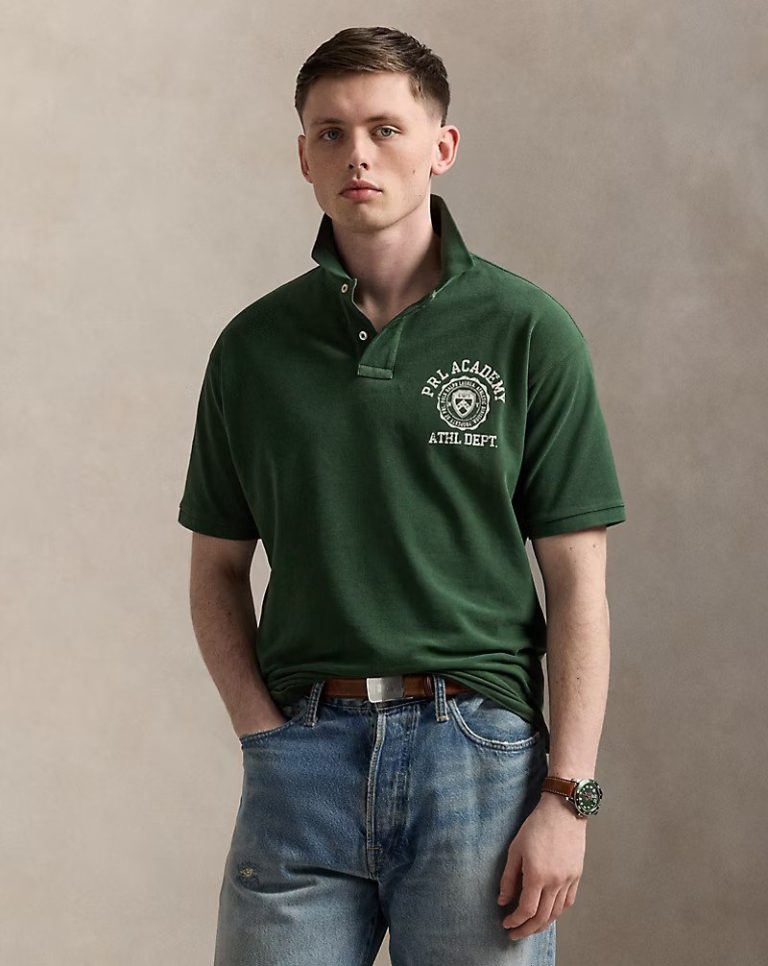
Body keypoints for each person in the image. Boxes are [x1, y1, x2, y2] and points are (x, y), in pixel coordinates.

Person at [178, 25, 626, 966]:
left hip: (478, 757)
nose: (359, 154)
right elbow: (216, 567)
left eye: (385, 128)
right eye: (331, 132)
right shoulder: (252, 350)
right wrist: (262, 735)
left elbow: (577, 584)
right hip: (301, 756)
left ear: (441, 146)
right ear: (304, 157)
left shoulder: (529, 332)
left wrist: (568, 795)